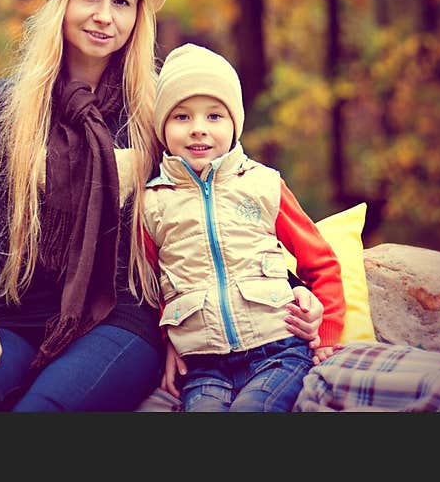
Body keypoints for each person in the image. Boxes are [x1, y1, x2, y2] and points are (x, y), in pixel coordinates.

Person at [0, 0, 324, 412]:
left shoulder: (156, 109)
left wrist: (296, 292)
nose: (104, 17)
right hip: (19, 315)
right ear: (61, 3)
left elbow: (227, 199)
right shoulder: (4, 104)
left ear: (138, 16)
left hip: (125, 320)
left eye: (123, 2)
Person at [142, 43, 346, 412]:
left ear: (234, 123)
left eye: (214, 116)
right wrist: (166, 339)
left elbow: (321, 263)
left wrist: (327, 329)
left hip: (279, 351)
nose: (198, 130)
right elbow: (149, 285)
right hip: (203, 367)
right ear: (163, 127)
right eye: (182, 117)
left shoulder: (263, 184)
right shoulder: (152, 204)